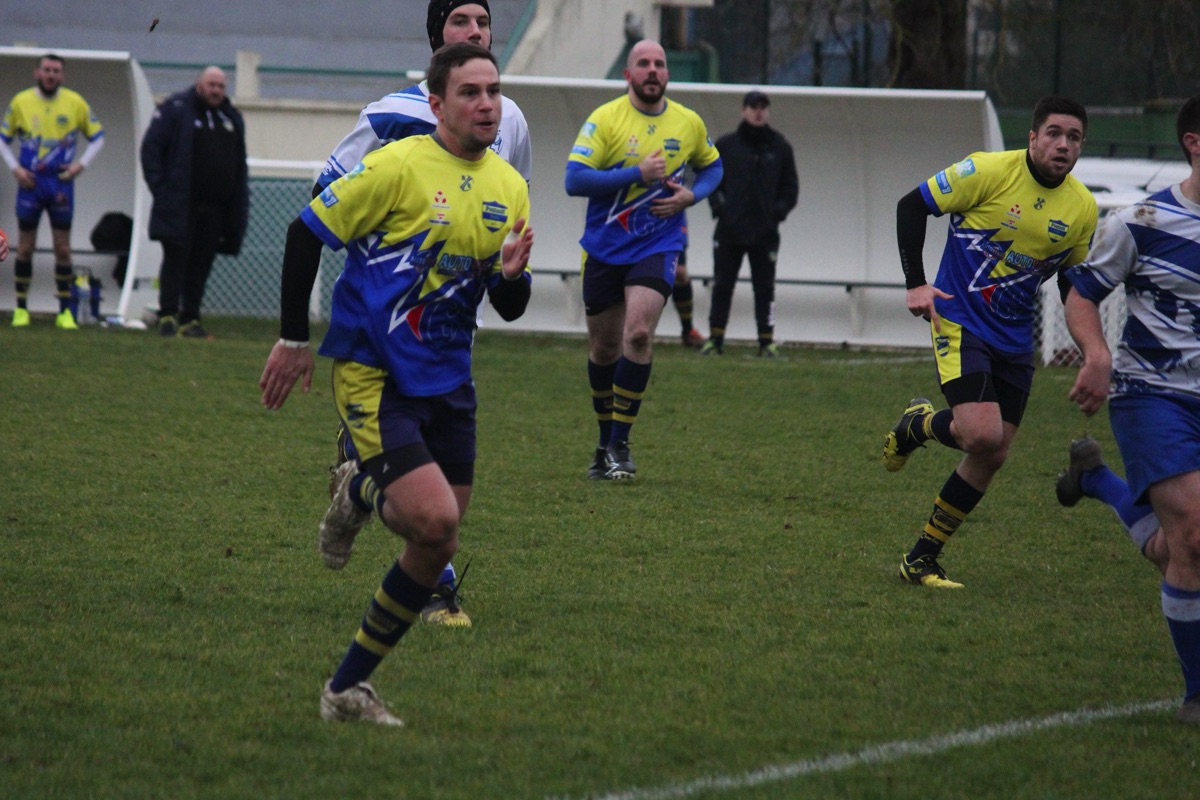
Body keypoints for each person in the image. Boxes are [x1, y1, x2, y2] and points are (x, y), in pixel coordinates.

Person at [258, 42, 534, 726]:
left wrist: (509, 276)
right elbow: (304, 233)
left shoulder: (509, 185)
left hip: (449, 380)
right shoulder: (396, 165)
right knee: (435, 520)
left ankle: (347, 682)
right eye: (469, 92)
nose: (487, 105)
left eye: (494, 91)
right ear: (436, 104)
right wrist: (294, 340)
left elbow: (509, 305)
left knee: (439, 538)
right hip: (374, 371)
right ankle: (343, 687)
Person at [313, 0, 532, 628]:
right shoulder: (389, 116)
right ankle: (438, 589)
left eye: (483, 22)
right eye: (461, 21)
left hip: (454, 323)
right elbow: (327, 194)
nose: (475, 31)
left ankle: (361, 489)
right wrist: (400, 252)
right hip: (382, 329)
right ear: (437, 33)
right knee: (424, 483)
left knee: (439, 472)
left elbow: (506, 205)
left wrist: (497, 270)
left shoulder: (510, 119)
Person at [880, 96, 1097, 588]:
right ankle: (919, 426)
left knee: (993, 452)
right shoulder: (987, 171)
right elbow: (912, 206)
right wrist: (916, 283)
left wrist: (1092, 347)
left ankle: (921, 557)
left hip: (1015, 338)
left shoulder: (1083, 208)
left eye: (1074, 137)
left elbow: (1073, 281)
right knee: (981, 434)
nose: (1064, 145)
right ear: (1033, 137)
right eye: (1054, 133)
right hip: (960, 321)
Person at [1059, 93, 1200, 724]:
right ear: (1193, 143)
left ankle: (1095, 479)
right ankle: (1197, 695)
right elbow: (1082, 295)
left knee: (1176, 550)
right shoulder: (1141, 221)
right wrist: (1096, 355)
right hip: (1154, 397)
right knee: (1194, 536)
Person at [565, 39, 723, 480]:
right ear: (628, 74)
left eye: (659, 64)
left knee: (637, 334)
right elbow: (574, 180)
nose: (653, 70)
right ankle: (604, 443)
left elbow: (713, 167)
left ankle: (621, 443)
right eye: (643, 64)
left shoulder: (687, 122)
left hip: (657, 244)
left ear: (667, 74)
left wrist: (692, 195)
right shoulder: (605, 119)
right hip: (604, 248)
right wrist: (638, 173)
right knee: (604, 349)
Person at [140, 66, 249, 339]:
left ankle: (190, 318)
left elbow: (239, 164)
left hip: (215, 210)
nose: (216, 91)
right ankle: (167, 315)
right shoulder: (176, 110)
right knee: (175, 260)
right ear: (199, 84)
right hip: (180, 206)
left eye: (221, 86)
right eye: (211, 85)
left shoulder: (230, 117)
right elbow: (151, 150)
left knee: (201, 265)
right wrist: (163, 192)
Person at [0, 53, 104, 329]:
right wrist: (15, 169)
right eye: (46, 70)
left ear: (62, 75)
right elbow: (2, 139)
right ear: (37, 73)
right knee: (25, 247)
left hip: (60, 185)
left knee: (63, 249)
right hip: (30, 185)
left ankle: (65, 312)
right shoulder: (21, 102)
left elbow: (98, 137)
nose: (51, 75)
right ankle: (21, 309)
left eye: (56, 71)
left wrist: (80, 166)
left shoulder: (75, 102)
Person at [702, 90, 799, 358]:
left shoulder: (780, 147)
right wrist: (721, 208)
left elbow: (790, 188)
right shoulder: (726, 145)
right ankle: (715, 339)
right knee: (722, 285)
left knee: (765, 288)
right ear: (743, 110)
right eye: (753, 107)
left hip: (765, 234)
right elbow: (711, 181)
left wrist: (775, 214)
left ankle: (766, 341)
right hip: (729, 231)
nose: (758, 112)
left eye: (763, 107)